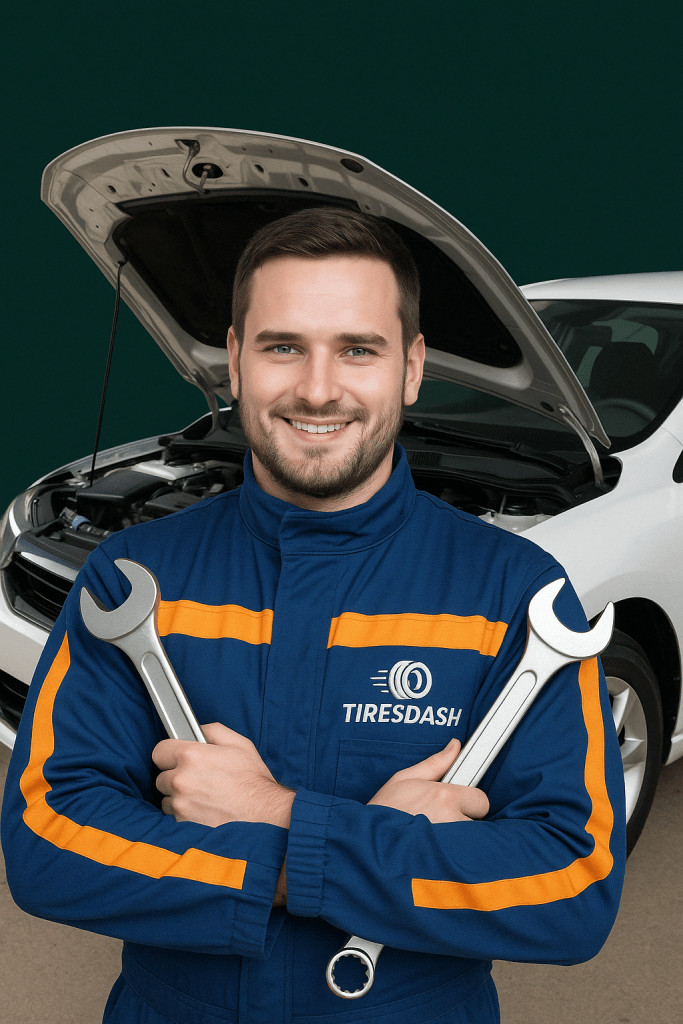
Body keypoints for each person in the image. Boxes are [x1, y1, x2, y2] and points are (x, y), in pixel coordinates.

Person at [2, 206, 625, 1024]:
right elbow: (50, 846)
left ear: (410, 368)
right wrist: (372, 849)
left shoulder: (513, 595)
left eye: (357, 349)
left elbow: (569, 889)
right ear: (235, 360)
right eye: (282, 347)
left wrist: (273, 817)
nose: (318, 388)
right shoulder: (134, 578)